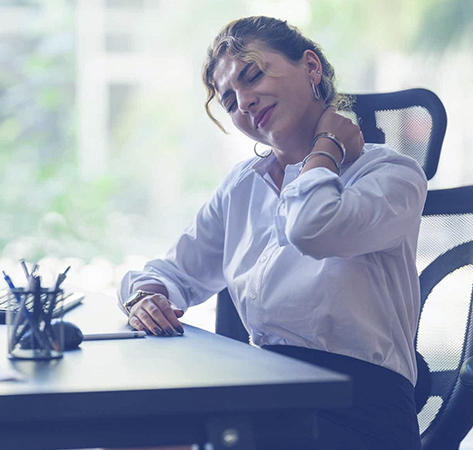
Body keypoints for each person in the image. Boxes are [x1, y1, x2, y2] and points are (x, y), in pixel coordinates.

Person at [117, 15, 427, 450]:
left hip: (358, 411)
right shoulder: (243, 186)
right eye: (228, 101)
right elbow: (172, 272)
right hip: (269, 397)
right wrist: (146, 296)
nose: (243, 102)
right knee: (131, 428)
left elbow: (311, 228)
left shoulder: (391, 174)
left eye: (252, 75)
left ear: (311, 67)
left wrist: (328, 148)